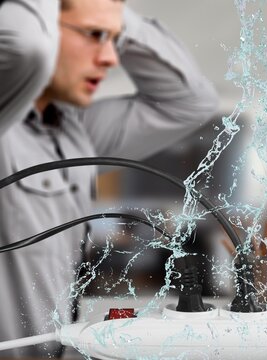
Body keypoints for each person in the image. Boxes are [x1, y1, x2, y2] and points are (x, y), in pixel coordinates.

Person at [0, 0, 218, 357]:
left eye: (114, 41)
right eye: (94, 35)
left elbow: (192, 101)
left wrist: (112, 17)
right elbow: (26, 49)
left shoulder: (76, 133)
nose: (110, 58)